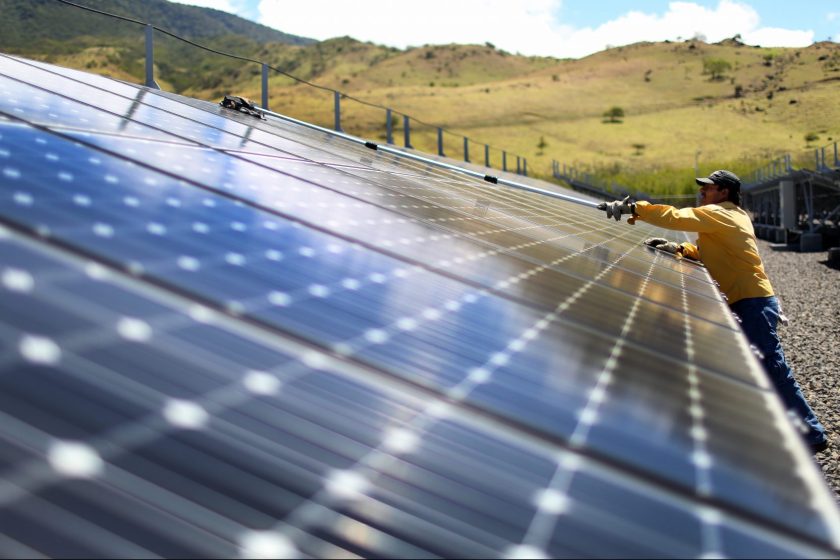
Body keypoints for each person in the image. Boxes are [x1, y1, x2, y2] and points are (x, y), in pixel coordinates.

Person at [598, 169, 829, 454]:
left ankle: (812, 433)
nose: (702, 192)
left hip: (752, 302)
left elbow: (675, 217)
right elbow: (712, 253)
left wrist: (633, 208)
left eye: (708, 188)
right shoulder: (729, 217)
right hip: (748, 300)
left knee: (772, 368)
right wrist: (681, 249)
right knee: (754, 368)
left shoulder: (723, 214)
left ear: (724, 192)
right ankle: (777, 428)